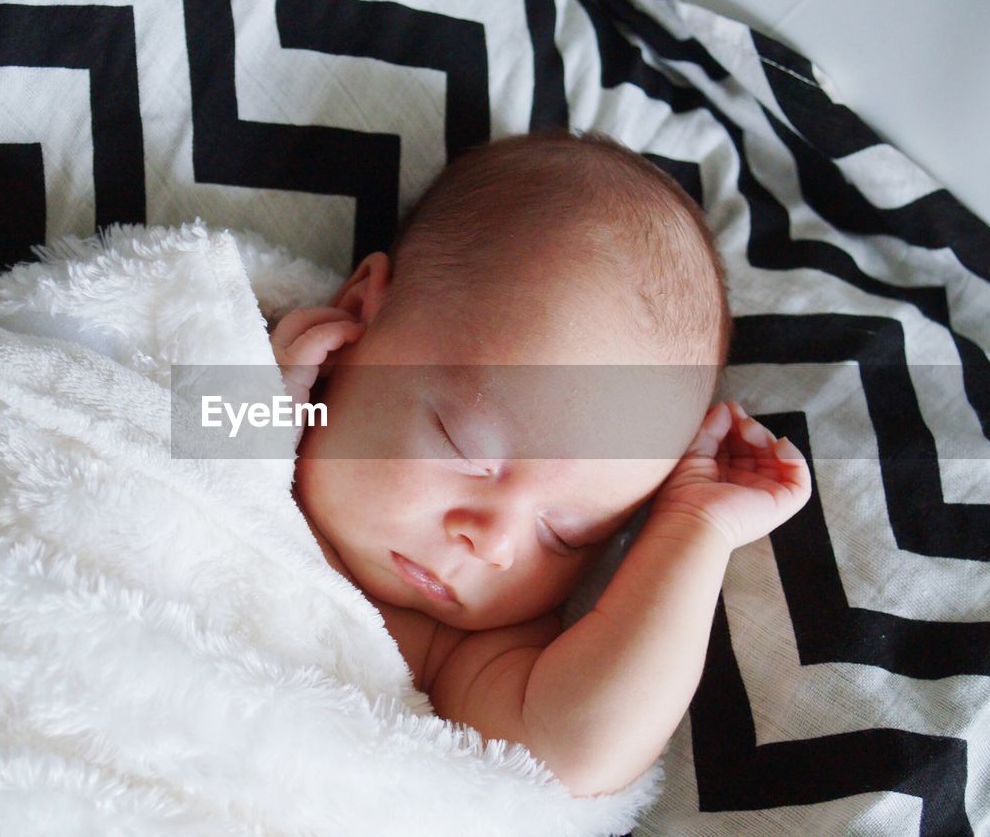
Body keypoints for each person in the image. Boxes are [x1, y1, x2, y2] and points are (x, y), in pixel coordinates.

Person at [269, 130, 811, 797]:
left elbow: (576, 749)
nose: (493, 541)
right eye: (465, 447)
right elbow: (126, 433)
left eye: (566, 535)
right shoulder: (239, 370)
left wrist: (694, 533)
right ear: (359, 316)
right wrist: (249, 414)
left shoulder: (461, 649)